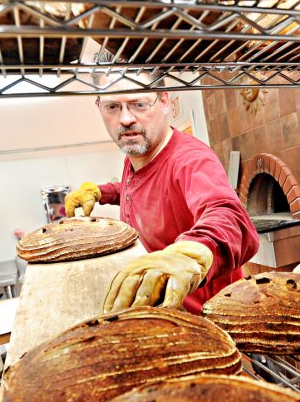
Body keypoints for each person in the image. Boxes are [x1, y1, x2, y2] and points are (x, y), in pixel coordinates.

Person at [64, 77, 259, 314]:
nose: (126, 119)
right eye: (113, 107)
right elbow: (139, 189)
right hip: (168, 313)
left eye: (139, 104)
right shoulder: (136, 151)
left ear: (164, 101)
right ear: (99, 107)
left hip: (212, 321)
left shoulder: (191, 160)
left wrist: (191, 255)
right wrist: (100, 192)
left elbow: (230, 217)